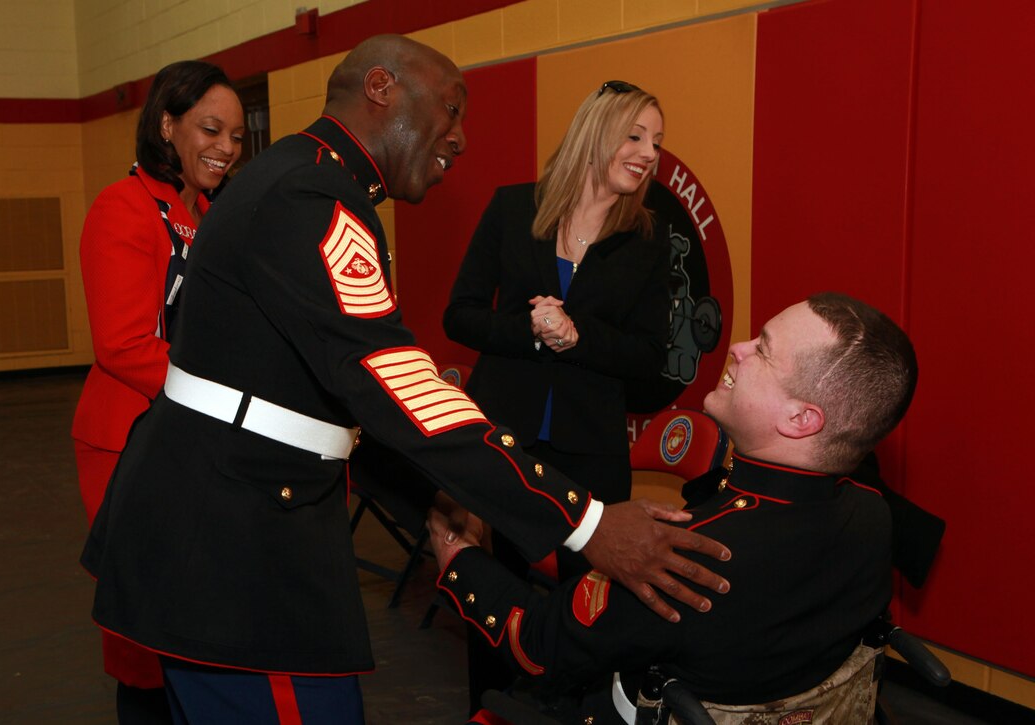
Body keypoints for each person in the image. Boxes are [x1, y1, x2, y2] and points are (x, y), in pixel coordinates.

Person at [81, 35, 732, 723]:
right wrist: (587, 522)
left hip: (215, 531)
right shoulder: (314, 197)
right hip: (238, 556)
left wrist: (432, 494)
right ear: (382, 90)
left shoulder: (304, 180)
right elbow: (398, 388)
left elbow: (323, 395)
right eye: (450, 111)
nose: (459, 138)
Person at [429, 291, 918, 723]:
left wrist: (458, 554)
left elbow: (535, 645)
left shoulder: (684, 556)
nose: (738, 349)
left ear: (800, 419)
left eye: (762, 351)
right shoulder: (873, 516)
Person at [442, 79, 669, 714]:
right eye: (635, 135)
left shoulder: (648, 237)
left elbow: (650, 359)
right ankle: (490, 709)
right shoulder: (514, 208)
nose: (649, 152)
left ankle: (578, 712)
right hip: (502, 439)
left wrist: (577, 338)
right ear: (597, 134)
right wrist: (530, 333)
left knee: (592, 608)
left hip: (591, 449)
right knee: (494, 591)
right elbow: (459, 316)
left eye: (656, 142)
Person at [71, 60, 243, 722]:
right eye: (209, 128)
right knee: (147, 635)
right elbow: (121, 345)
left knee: (195, 625)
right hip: (129, 443)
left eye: (234, 134)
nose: (226, 147)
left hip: (192, 436)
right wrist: (231, 399)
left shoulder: (207, 214)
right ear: (166, 125)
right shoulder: (123, 206)